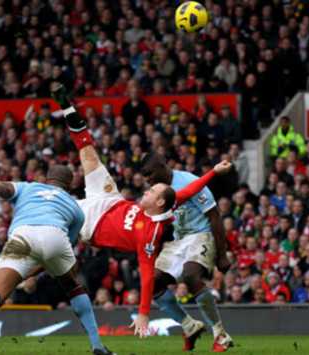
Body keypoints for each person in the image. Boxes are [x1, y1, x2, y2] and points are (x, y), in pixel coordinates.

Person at [52, 84, 232, 338]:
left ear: (159, 202)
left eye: (151, 190)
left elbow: (146, 276)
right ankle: (66, 106)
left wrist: (144, 314)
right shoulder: (168, 200)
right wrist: (214, 171)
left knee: (50, 214)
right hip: (108, 199)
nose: (145, 190)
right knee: (88, 153)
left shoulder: (149, 235)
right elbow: (189, 190)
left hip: (88, 223)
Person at [0, 166, 113, 355]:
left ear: (47, 179)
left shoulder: (29, 187)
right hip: (55, 235)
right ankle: (97, 346)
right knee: (73, 287)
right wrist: (32, 272)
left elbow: (4, 188)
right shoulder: (76, 209)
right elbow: (57, 252)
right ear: (69, 184)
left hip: (23, 234)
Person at [140, 155, 234, 352]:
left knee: (190, 275)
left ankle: (220, 334)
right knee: (152, 282)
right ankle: (189, 326)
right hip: (179, 239)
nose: (148, 179)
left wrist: (222, 254)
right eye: (145, 176)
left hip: (202, 234)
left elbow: (214, 215)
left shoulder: (188, 181)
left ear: (163, 166)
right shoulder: (156, 193)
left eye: (150, 174)